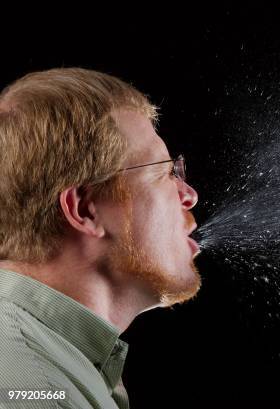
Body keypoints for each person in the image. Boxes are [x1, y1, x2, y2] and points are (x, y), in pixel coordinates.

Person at [0, 68, 201, 408]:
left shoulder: (54, 362)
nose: (189, 195)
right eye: (164, 172)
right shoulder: (39, 391)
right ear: (86, 209)